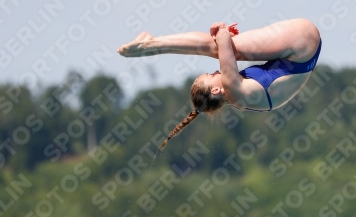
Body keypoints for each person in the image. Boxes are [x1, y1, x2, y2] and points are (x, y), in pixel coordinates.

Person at [117, 18, 322, 152]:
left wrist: (224, 39)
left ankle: (151, 44)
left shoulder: (237, 98)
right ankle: (149, 45)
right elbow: (222, 38)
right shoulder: (233, 89)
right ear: (215, 90)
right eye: (210, 75)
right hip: (301, 42)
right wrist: (220, 31)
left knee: (223, 49)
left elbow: (226, 45)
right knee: (215, 48)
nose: (215, 72)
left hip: (303, 52)